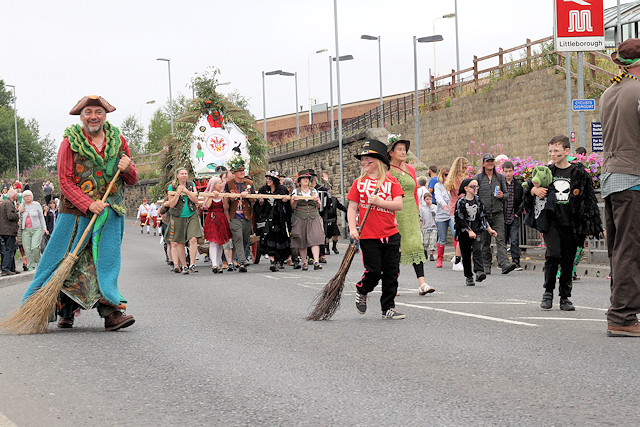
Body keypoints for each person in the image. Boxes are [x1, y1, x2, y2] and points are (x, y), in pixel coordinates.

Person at [21, 95, 138, 331]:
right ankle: (65, 309)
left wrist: (128, 168)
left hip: (110, 214)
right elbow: (64, 182)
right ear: (81, 116)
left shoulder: (119, 141)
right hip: (74, 216)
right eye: (88, 112)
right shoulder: (69, 143)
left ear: (105, 116)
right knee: (66, 261)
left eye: (98, 112)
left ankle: (111, 312)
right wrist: (88, 204)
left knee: (103, 263)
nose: (93, 116)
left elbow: (132, 179)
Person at [524, 135, 602, 312]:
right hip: (552, 222)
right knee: (553, 255)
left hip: (573, 224)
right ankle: (548, 292)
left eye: (556, 151)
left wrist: (591, 224)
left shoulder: (579, 173)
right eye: (550, 151)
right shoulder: (546, 172)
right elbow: (528, 189)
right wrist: (534, 190)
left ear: (567, 151)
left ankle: (565, 297)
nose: (553, 154)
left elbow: (589, 200)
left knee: (568, 260)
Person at [599, 39, 640, 336]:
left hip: (612, 178)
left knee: (619, 249)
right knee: (629, 249)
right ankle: (623, 317)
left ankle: (621, 308)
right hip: (634, 178)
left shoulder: (608, 93)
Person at [348, 138, 405, 319]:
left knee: (391, 272)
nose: (364, 163)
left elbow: (399, 204)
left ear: (379, 161)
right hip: (368, 234)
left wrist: (381, 202)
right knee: (374, 270)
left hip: (390, 234)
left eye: (368, 160)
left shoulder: (391, 181)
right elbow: (352, 207)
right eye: (362, 160)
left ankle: (388, 307)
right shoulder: (359, 183)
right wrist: (352, 229)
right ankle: (362, 289)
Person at [388, 138, 434, 295]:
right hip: (395, 212)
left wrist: (417, 213)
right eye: (399, 149)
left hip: (411, 213)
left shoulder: (410, 169)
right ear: (391, 152)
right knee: (395, 249)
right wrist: (389, 215)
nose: (403, 152)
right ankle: (392, 284)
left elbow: (415, 194)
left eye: (404, 149)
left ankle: (422, 283)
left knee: (416, 245)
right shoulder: (387, 170)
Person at [473, 154, 516, 275]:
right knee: (484, 242)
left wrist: (503, 196)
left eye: (492, 161)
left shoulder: (500, 178)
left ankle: (504, 264)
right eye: (488, 161)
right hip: (483, 215)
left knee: (501, 239)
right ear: (483, 164)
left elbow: (507, 195)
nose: (490, 163)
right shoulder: (478, 178)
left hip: (498, 214)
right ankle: (486, 265)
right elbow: (474, 195)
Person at [454, 178, 498, 286]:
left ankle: (479, 272)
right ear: (466, 188)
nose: (475, 189)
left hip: (477, 230)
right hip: (464, 233)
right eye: (473, 186)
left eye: (477, 186)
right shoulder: (461, 202)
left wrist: (489, 229)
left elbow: (483, 217)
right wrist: (469, 231)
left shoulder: (478, 200)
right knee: (466, 254)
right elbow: (460, 219)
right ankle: (468, 276)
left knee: (478, 250)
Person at [167, 168, 202, 274]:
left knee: (193, 239)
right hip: (178, 216)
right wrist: (178, 192)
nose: (184, 175)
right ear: (177, 175)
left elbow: (196, 200)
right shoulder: (172, 187)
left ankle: (192, 263)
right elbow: (172, 204)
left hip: (192, 214)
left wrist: (186, 191)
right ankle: (184, 265)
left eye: (186, 174)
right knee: (180, 242)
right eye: (182, 174)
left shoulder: (191, 184)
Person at [223, 157, 255, 273]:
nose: (242, 173)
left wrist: (249, 195)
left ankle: (241, 262)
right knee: (238, 237)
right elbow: (225, 202)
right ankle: (242, 260)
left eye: (243, 170)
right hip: (234, 216)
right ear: (235, 173)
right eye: (240, 171)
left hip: (246, 216)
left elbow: (254, 201)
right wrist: (229, 198)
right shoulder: (229, 184)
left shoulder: (250, 184)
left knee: (245, 239)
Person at [256, 170, 292, 271]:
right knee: (268, 239)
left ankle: (279, 260)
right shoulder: (263, 189)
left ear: (274, 180)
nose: (268, 180)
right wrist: (261, 202)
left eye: (270, 179)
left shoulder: (282, 189)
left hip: (279, 218)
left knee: (280, 240)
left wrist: (285, 201)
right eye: (267, 178)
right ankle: (272, 261)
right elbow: (258, 207)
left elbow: (288, 207)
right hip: (268, 218)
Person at [290, 170, 324, 271]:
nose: (306, 180)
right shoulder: (296, 191)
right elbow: (292, 207)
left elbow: (319, 205)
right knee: (302, 240)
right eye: (304, 178)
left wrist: (316, 201)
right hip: (300, 217)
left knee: (315, 239)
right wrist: (295, 201)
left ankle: (316, 261)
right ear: (299, 181)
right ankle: (304, 262)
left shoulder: (313, 191)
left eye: (307, 178)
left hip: (313, 216)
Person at [203, 176, 233, 273]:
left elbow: (225, 208)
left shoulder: (222, 194)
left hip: (221, 218)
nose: (221, 185)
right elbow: (207, 206)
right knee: (213, 242)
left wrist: (225, 198)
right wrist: (211, 195)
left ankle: (218, 263)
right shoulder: (207, 193)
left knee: (220, 243)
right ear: (214, 185)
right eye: (219, 183)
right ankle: (214, 264)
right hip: (212, 218)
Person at [444, 157, 469, 270]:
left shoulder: (452, 179)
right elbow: (461, 195)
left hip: (453, 209)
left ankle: (457, 257)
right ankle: (457, 261)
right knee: (462, 235)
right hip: (458, 210)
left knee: (461, 235)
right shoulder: (459, 180)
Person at [502, 161, 524, 270]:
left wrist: (518, 213)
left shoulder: (518, 185)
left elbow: (523, 200)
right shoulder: (501, 184)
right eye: (506, 171)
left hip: (514, 215)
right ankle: (503, 261)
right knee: (503, 240)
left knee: (514, 240)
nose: (508, 174)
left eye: (510, 171)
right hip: (503, 216)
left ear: (513, 171)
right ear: (503, 172)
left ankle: (516, 262)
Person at [18, 190, 47, 271]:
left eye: (28, 196)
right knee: (27, 249)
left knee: (35, 247)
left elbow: (41, 217)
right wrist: (20, 212)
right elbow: (18, 217)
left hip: (36, 229)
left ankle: (38, 261)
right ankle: (30, 266)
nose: (27, 197)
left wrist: (44, 228)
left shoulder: (36, 205)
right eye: (25, 196)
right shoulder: (22, 206)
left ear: (32, 196)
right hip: (25, 230)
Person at [321, 186, 347, 255]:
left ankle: (334, 247)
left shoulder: (334, 199)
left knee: (335, 235)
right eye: (327, 190)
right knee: (326, 236)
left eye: (330, 190)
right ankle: (327, 249)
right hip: (326, 219)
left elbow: (340, 206)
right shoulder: (323, 199)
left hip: (333, 220)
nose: (329, 191)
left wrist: (346, 210)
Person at [0, 189, 20, 276]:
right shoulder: (8, 203)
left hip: (4, 230)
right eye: (16, 195)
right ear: (14, 196)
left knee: (11, 249)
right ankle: (5, 269)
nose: (17, 197)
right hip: (8, 230)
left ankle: (12, 268)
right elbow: (10, 216)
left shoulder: (4, 202)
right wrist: (18, 213)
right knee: (10, 249)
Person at [419, 191, 438, 262]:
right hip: (425, 227)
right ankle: (425, 251)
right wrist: (420, 225)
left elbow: (437, 216)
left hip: (433, 227)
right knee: (425, 242)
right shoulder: (422, 209)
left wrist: (432, 209)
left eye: (430, 199)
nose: (429, 201)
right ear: (424, 200)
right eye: (427, 199)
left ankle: (432, 254)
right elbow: (420, 218)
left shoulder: (435, 207)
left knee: (432, 240)